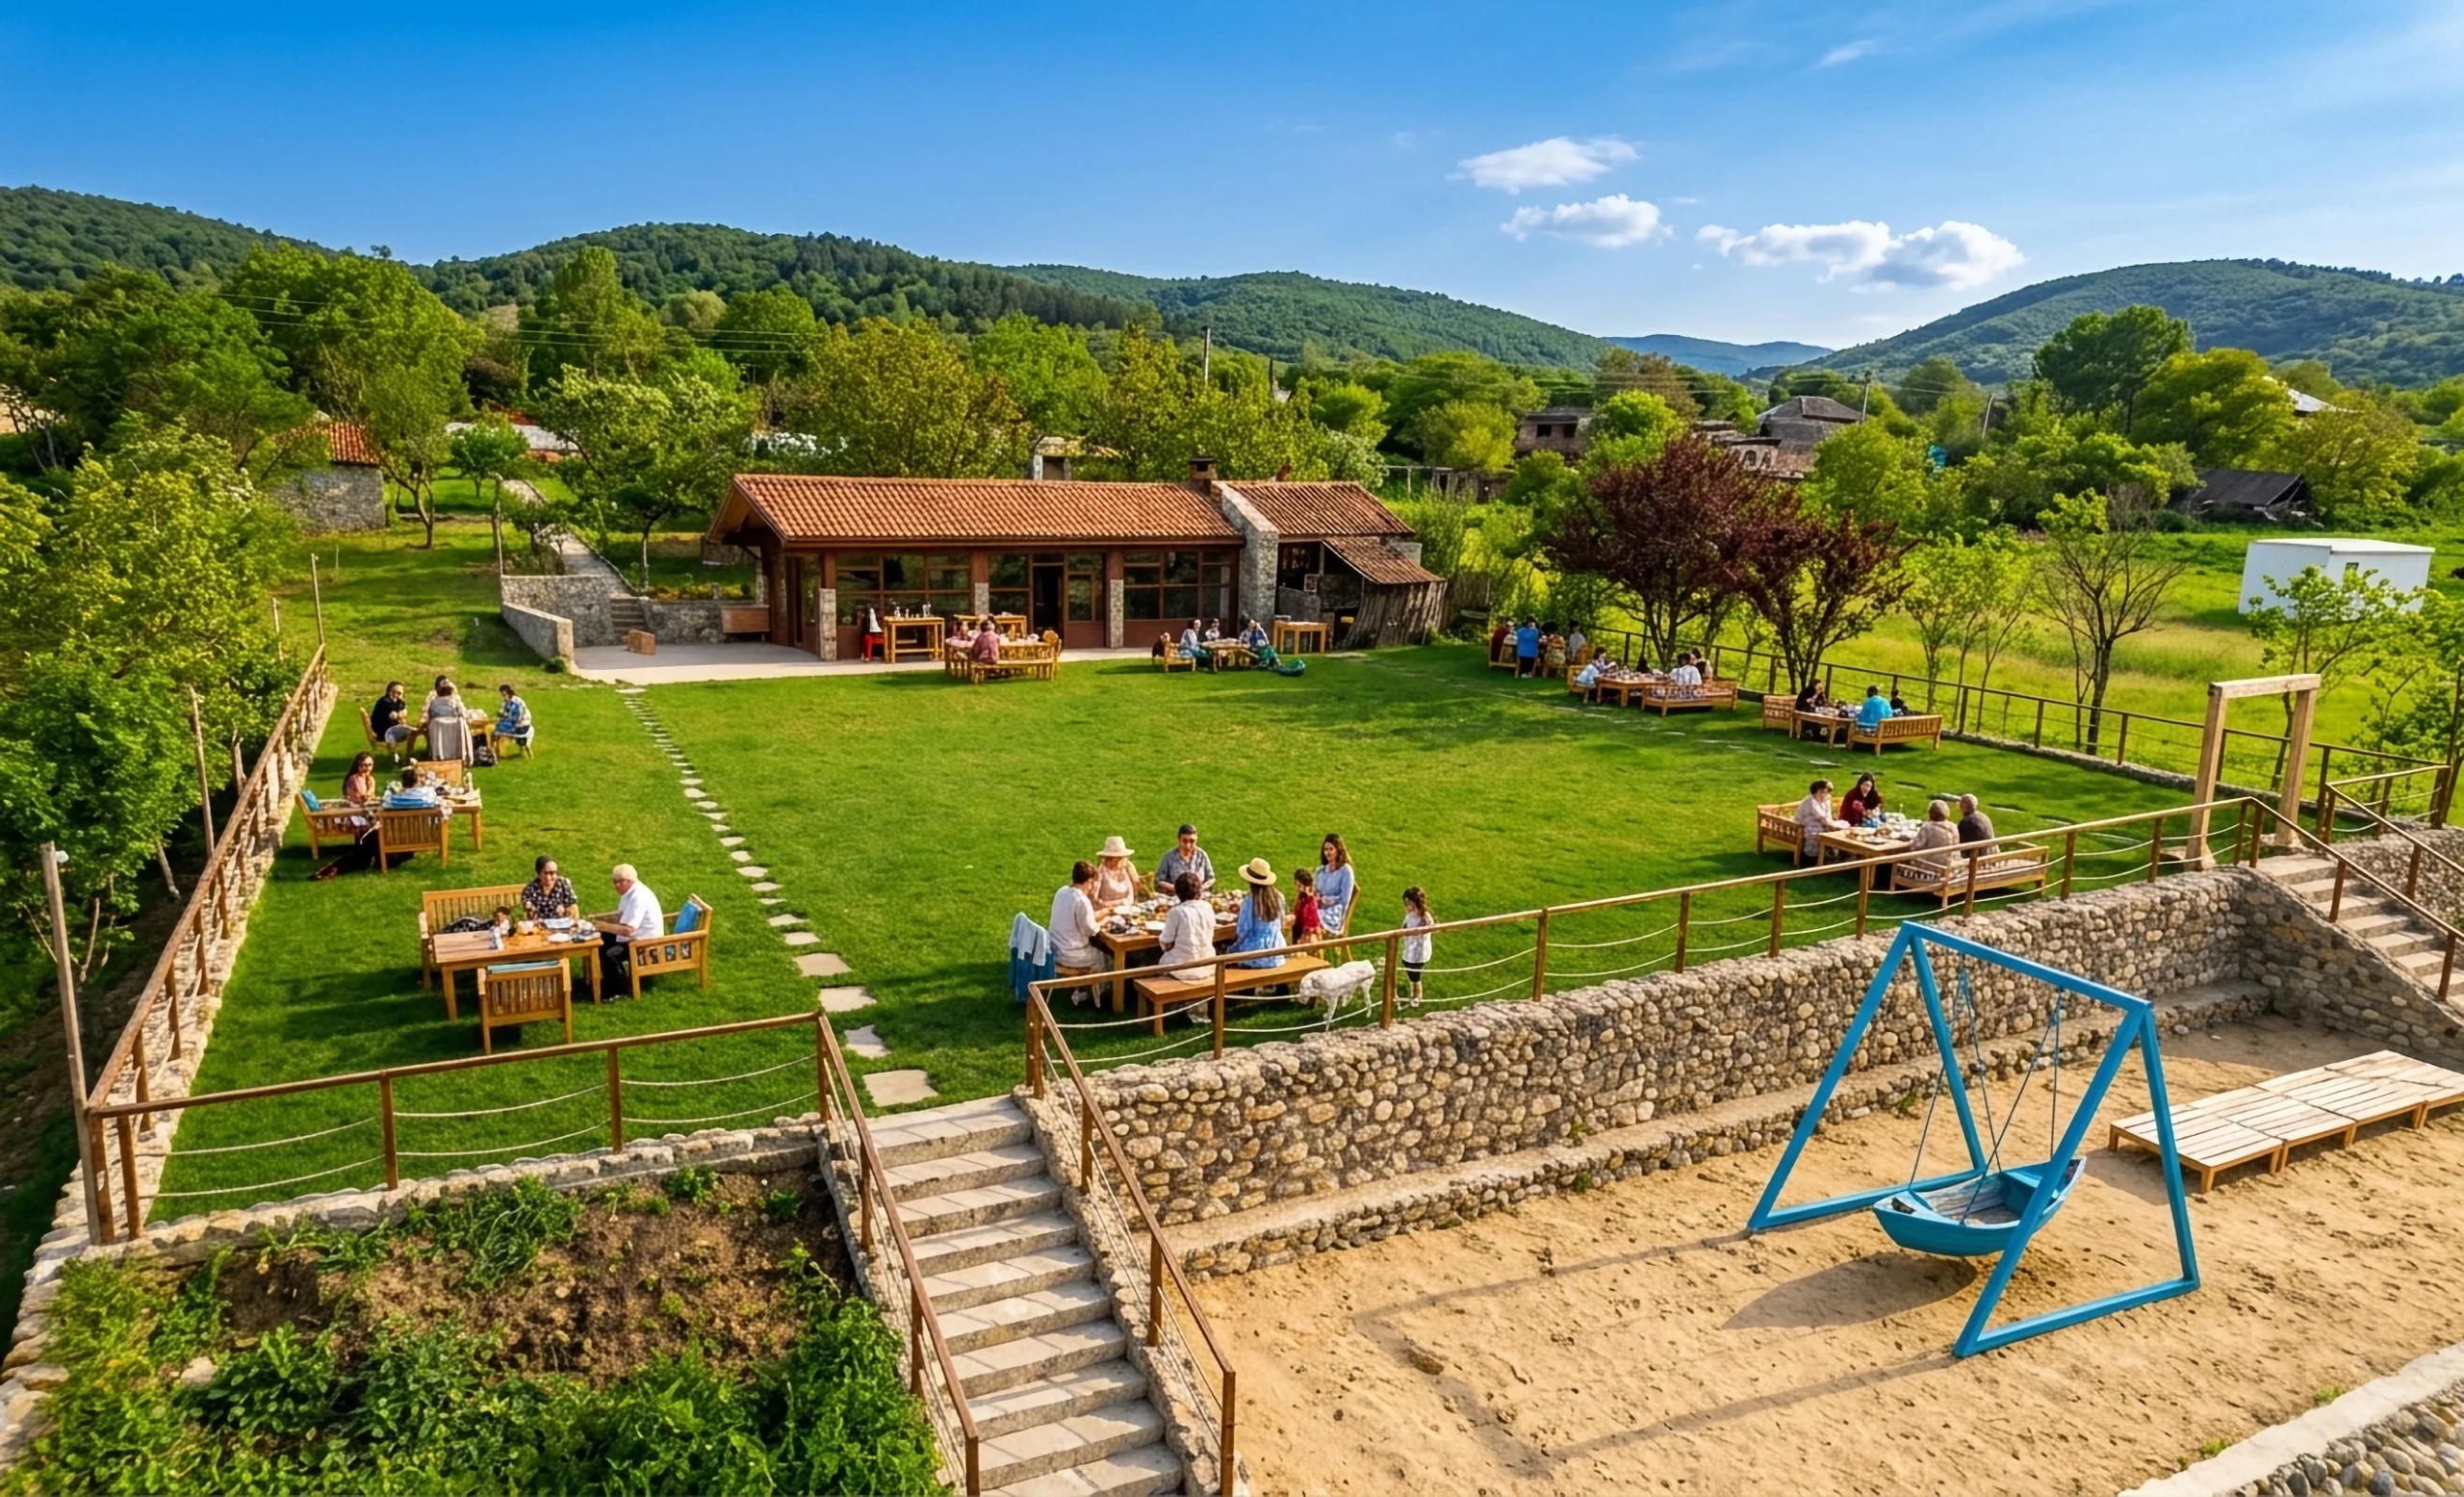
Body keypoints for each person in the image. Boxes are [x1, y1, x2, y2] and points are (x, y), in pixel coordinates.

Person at [593, 864, 666, 994]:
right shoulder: (630, 893)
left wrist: (604, 926)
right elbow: (622, 917)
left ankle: (619, 990)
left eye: (620, 881)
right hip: (636, 937)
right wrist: (601, 925)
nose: (616, 885)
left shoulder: (638, 898)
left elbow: (628, 930)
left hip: (644, 943)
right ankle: (609, 980)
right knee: (601, 939)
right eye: (614, 881)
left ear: (630, 881)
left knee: (610, 954)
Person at [1050, 861, 1106, 1002]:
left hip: (1056, 948)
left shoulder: (1062, 891)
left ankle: (1087, 990)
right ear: (1088, 881)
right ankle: (1098, 995)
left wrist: (1104, 913)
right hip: (1072, 954)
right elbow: (1091, 930)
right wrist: (1106, 921)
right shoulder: (1082, 900)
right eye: (1092, 883)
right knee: (1106, 955)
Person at [1227, 860, 1286, 969]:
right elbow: (1281, 923)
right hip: (1277, 952)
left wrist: (1230, 950)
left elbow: (1243, 931)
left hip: (1255, 955)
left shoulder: (1250, 902)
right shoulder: (1279, 898)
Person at [1156, 871, 1216, 975]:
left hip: (1182, 969)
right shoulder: (1207, 907)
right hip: (1208, 966)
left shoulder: (1177, 912)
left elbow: (1165, 942)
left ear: (1177, 892)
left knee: (1157, 965)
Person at [1314, 834, 1356, 948]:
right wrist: (1316, 897)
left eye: (1331, 849)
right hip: (1318, 907)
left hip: (1334, 912)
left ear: (1338, 850)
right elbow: (1315, 890)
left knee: (1311, 919)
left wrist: (1324, 900)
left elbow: (1344, 900)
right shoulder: (1321, 871)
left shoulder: (1345, 871)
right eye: (1325, 849)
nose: (1327, 852)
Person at [1903, 799, 1962, 878]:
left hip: (1932, 870)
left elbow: (1914, 848)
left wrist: (1910, 841)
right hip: (1950, 868)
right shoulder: (1953, 827)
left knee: (1903, 862)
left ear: (1931, 813)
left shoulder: (1928, 827)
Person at [1794, 778, 1849, 859]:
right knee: (1819, 832)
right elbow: (1820, 816)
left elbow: (1827, 815)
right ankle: (1814, 856)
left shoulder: (1826, 800)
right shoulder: (1811, 801)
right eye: (1821, 792)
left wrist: (1830, 824)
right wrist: (1829, 825)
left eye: (1826, 792)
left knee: (1843, 827)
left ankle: (1841, 852)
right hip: (1808, 822)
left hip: (1821, 821)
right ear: (1815, 792)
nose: (1824, 795)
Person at [1400, 886, 1435, 1007]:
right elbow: (1404, 926)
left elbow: (1432, 926)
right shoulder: (1410, 915)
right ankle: (1413, 990)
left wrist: (1421, 930)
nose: (1406, 907)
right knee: (1407, 965)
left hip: (1419, 950)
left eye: (1408, 903)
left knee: (1415, 972)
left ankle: (1418, 994)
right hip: (1410, 947)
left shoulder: (1424, 916)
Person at [1154, 824, 1215, 893]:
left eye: (1192, 841)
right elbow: (1159, 880)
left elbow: (1211, 878)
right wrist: (1174, 888)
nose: (1188, 846)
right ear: (1179, 840)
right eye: (1185, 841)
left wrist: (1200, 888)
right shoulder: (1169, 857)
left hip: (1199, 896)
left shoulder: (1202, 856)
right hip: (1175, 896)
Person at [424, 682, 473, 762]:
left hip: (438, 726)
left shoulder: (434, 702)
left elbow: (430, 714)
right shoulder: (455, 701)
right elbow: (463, 713)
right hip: (455, 726)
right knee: (461, 722)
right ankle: (460, 755)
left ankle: (439, 756)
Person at [522, 855, 580, 922]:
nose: (549, 877)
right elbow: (527, 906)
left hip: (562, 924)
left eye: (553, 873)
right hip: (540, 925)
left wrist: (564, 908)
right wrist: (531, 910)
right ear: (538, 873)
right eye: (546, 873)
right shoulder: (530, 889)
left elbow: (572, 902)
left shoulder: (563, 884)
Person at [1091, 837, 1142, 912]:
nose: (1119, 862)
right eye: (1115, 859)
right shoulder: (1100, 871)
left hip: (1129, 910)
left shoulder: (1128, 867)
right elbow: (1094, 900)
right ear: (1108, 858)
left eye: (1121, 858)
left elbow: (1137, 890)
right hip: (1107, 912)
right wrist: (1114, 904)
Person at [370, 681, 416, 760]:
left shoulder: (398, 702)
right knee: (413, 733)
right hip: (383, 732)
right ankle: (406, 757)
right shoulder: (385, 702)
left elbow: (403, 714)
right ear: (391, 692)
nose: (401, 695)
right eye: (399, 693)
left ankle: (404, 756)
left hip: (389, 729)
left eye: (401, 693)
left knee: (412, 731)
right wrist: (401, 715)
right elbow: (393, 715)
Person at [494, 684, 532, 749]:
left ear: (509, 693)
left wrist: (504, 715)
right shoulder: (510, 701)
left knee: (495, 733)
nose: (503, 697)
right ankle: (496, 752)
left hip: (521, 727)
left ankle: (495, 754)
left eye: (504, 695)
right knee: (497, 728)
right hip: (521, 725)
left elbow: (517, 717)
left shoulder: (516, 702)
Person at [1292, 868, 1322, 945]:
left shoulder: (1309, 902)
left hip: (1307, 933)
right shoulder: (1302, 897)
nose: (1297, 888)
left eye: (1299, 886)